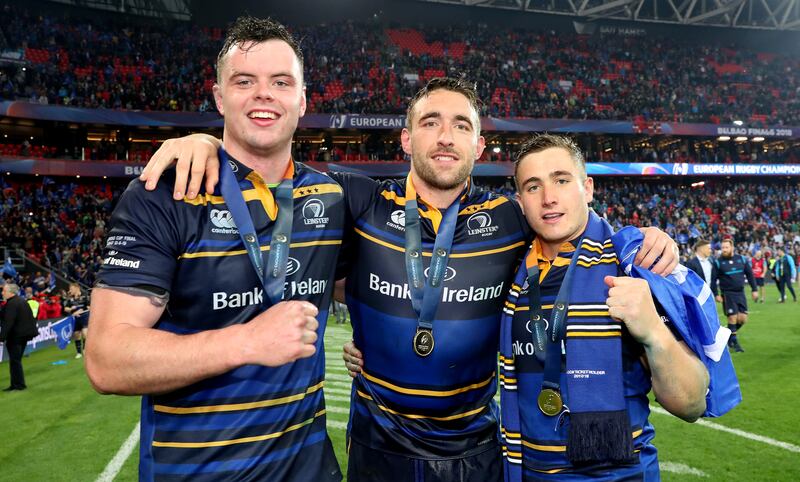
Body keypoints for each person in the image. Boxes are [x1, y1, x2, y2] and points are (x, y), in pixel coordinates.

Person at [140, 77, 680, 481]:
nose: (445, 138)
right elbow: (271, 173)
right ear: (404, 139)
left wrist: (649, 238)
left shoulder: (514, 220)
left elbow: (579, 223)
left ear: (480, 146)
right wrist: (208, 144)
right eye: (430, 123)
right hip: (381, 445)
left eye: (461, 126)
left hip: (478, 448)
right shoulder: (356, 203)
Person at [85, 16, 343, 481]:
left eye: (281, 82)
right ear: (219, 96)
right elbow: (106, 358)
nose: (264, 93)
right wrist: (246, 341)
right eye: (245, 81)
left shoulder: (332, 194)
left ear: (302, 100)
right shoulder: (163, 194)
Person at [499, 134, 734, 479]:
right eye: (533, 187)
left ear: (588, 188)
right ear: (521, 202)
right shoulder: (511, 269)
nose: (549, 198)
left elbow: (692, 403)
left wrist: (654, 331)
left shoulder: (633, 266)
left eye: (562, 180)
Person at [715, 238, 758, 353]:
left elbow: (750, 275)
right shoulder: (718, 262)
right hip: (727, 294)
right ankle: (735, 343)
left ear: (732, 248)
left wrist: (754, 289)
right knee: (732, 317)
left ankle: (728, 336)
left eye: (726, 247)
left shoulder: (742, 259)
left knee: (743, 319)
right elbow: (713, 280)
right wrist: (716, 294)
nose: (724, 250)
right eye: (722, 247)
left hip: (740, 292)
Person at [1, 283, 38, 391]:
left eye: (4, 291)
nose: (2, 293)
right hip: (23, 336)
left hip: (16, 336)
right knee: (15, 360)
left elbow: (8, 322)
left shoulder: (12, 304)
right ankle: (16, 384)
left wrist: (1, 337)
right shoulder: (21, 301)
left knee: (15, 361)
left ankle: (19, 385)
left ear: (10, 292)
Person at [62, 282, 89, 358]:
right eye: (70, 289)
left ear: (77, 288)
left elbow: (90, 307)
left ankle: (85, 349)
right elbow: (65, 308)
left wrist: (82, 310)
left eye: (71, 289)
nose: (70, 290)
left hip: (85, 317)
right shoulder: (70, 299)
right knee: (77, 335)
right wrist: (71, 309)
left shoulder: (85, 296)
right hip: (75, 319)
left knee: (85, 333)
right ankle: (79, 352)